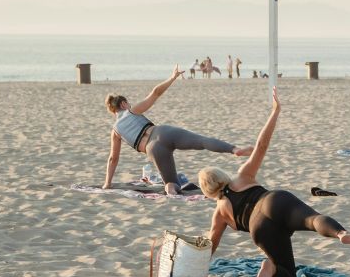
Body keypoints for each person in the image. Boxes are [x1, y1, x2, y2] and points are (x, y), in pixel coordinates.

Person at [200, 90, 350, 277]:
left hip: (259, 228)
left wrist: (197, 267)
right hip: (274, 201)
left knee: (287, 273)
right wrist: (275, 112)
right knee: (313, 219)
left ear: (208, 192)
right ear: (221, 174)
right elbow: (261, 145)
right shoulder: (242, 175)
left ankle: (270, 267)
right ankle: (341, 234)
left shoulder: (220, 213)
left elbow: (211, 244)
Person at [105, 66, 253, 195]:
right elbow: (155, 93)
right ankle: (235, 150)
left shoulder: (116, 131)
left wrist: (107, 183)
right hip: (162, 132)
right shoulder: (132, 111)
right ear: (124, 104)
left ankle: (171, 191)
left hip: (153, 150)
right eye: (128, 103)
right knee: (202, 141)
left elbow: (113, 159)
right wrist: (172, 77)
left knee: (171, 184)